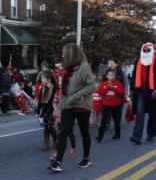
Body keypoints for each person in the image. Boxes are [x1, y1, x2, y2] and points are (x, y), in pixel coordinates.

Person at [47, 43, 95, 172]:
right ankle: (58, 162)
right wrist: (61, 105)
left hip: (82, 105)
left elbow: (92, 86)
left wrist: (76, 96)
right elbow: (65, 88)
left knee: (84, 131)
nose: (63, 55)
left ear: (71, 54)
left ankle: (86, 158)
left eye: (65, 53)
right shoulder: (68, 68)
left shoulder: (84, 67)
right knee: (63, 131)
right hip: (68, 105)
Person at [130, 42, 156, 144]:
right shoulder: (139, 60)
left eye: (148, 50)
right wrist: (132, 89)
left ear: (152, 51)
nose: (146, 52)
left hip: (152, 91)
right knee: (140, 112)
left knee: (152, 113)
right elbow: (134, 74)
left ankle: (151, 133)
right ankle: (136, 136)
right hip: (140, 90)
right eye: (144, 50)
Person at [95, 69, 124, 142]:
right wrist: (108, 87)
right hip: (106, 105)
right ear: (107, 76)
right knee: (103, 121)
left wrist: (113, 88)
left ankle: (117, 134)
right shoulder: (104, 83)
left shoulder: (117, 83)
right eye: (110, 75)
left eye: (113, 75)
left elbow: (121, 92)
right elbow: (100, 92)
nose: (112, 76)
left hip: (116, 105)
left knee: (116, 121)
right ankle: (99, 136)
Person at [36, 71, 57, 151]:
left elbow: (54, 101)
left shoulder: (54, 87)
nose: (42, 80)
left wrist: (50, 111)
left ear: (49, 79)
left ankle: (56, 139)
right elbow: (40, 101)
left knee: (49, 126)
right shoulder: (42, 88)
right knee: (46, 126)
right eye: (41, 78)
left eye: (43, 78)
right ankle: (46, 143)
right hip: (44, 110)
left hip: (52, 109)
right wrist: (38, 112)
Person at [104, 58, 128, 129]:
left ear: (117, 64)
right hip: (109, 93)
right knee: (108, 109)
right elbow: (103, 80)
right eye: (110, 63)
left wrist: (126, 93)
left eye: (112, 63)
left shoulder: (122, 72)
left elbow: (125, 83)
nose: (110, 64)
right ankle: (107, 123)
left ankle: (117, 123)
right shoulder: (107, 71)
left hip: (119, 94)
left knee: (118, 110)